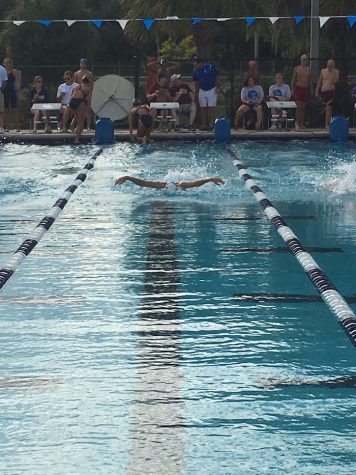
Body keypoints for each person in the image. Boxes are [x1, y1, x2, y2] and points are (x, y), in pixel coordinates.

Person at [193, 56, 220, 130]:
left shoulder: (210, 67)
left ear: (200, 63)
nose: (195, 65)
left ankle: (212, 124)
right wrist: (196, 92)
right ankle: (204, 124)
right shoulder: (195, 70)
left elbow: (216, 76)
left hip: (212, 89)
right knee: (203, 108)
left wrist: (218, 87)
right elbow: (196, 82)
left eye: (196, 63)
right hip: (202, 90)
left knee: (212, 107)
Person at [315, 59, 339, 128]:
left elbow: (335, 81)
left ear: (333, 65)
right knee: (327, 109)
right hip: (323, 91)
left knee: (328, 108)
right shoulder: (323, 71)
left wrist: (332, 72)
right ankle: (329, 123)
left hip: (330, 91)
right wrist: (317, 90)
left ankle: (327, 124)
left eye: (331, 65)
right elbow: (319, 81)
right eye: (328, 65)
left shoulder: (336, 71)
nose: (329, 67)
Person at [291, 54, 312, 129]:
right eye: (303, 59)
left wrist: (311, 89)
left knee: (303, 107)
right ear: (301, 60)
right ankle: (297, 123)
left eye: (306, 59)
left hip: (305, 89)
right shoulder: (297, 69)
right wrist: (292, 89)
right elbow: (293, 79)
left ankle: (302, 124)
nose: (305, 61)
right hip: (298, 88)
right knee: (299, 107)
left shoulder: (308, 69)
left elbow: (309, 80)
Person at [115, 175, 224, 189]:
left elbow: (195, 183)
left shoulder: (181, 186)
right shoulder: (161, 185)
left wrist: (209, 179)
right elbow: (144, 183)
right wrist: (127, 177)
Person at [69, 75, 91, 144]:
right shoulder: (88, 88)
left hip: (72, 101)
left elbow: (72, 93)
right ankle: (76, 140)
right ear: (88, 82)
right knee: (81, 121)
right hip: (79, 101)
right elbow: (88, 100)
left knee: (76, 114)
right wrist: (87, 108)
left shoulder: (78, 86)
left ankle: (72, 127)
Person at [73, 58, 93, 130]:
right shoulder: (76, 73)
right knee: (78, 110)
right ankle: (77, 125)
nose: (83, 65)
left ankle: (88, 126)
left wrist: (90, 95)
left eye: (84, 64)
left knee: (88, 109)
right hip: (79, 93)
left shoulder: (89, 74)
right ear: (80, 64)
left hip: (87, 92)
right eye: (82, 63)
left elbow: (91, 85)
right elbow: (74, 84)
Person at [3, 57, 21, 132]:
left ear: (11, 64)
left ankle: (17, 128)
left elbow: (17, 82)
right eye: (5, 63)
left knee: (15, 110)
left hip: (12, 92)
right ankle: (7, 128)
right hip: (5, 91)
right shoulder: (3, 72)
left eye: (8, 63)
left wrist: (18, 92)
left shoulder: (14, 72)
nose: (6, 64)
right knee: (6, 110)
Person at [0, 62, 7, 134]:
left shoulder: (2, 69)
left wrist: (2, 90)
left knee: (1, 111)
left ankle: (1, 127)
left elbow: (5, 81)